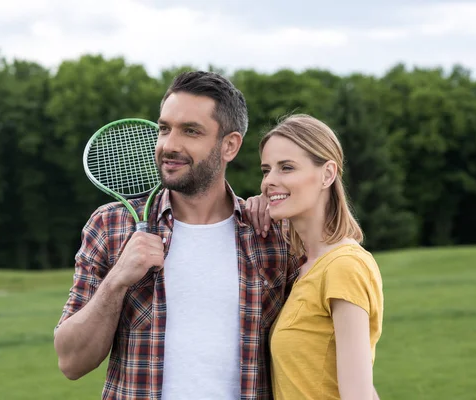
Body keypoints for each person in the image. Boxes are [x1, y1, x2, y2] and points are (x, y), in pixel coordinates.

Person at [53, 71, 299, 400]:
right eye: (164, 128)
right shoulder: (111, 225)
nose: (169, 145)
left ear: (230, 145)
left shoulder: (271, 235)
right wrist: (117, 281)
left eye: (190, 132)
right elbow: (71, 362)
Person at [247, 114, 384, 400]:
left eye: (286, 168)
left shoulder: (344, 265)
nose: (269, 181)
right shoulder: (303, 266)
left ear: (327, 174)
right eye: (266, 170)